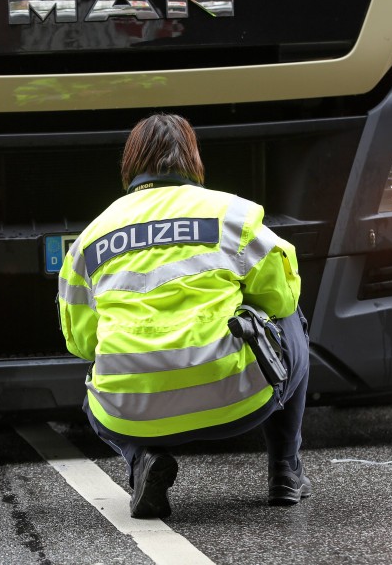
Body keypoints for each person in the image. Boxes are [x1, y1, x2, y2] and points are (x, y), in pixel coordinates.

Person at [57, 113, 311, 519]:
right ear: (193, 160)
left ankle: (142, 457)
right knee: (291, 316)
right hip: (237, 399)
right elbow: (280, 300)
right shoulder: (233, 215)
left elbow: (82, 343)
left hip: (128, 413)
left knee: (99, 376)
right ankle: (285, 469)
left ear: (130, 165)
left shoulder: (89, 238)